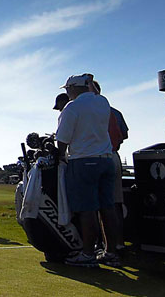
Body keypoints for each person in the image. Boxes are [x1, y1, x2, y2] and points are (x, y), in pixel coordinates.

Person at [55, 74, 120, 268]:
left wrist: (60, 155)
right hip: (106, 160)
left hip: (84, 161)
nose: (67, 92)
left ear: (74, 88)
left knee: (87, 209)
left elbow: (63, 139)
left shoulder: (72, 107)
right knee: (107, 207)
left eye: (67, 89)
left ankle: (88, 253)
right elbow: (96, 93)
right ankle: (111, 252)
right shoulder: (102, 101)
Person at [91, 79, 129, 251]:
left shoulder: (97, 111)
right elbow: (123, 135)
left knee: (107, 204)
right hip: (112, 155)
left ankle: (110, 244)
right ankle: (114, 243)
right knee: (112, 203)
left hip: (101, 157)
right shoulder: (113, 111)